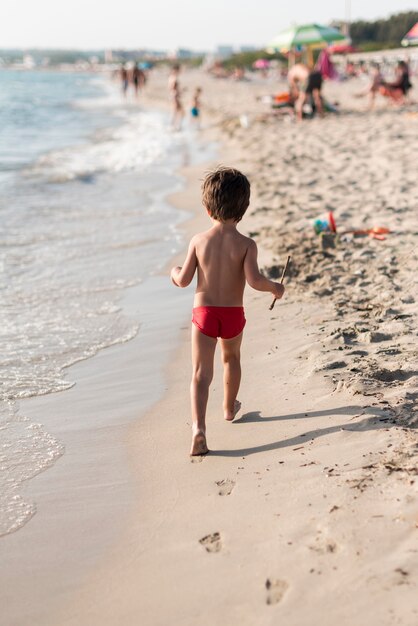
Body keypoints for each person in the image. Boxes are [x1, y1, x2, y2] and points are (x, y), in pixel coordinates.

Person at [170, 167, 285, 456]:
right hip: (233, 316)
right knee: (231, 358)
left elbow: (183, 280)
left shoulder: (198, 241)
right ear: (244, 208)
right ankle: (229, 408)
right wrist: (275, 288)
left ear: (208, 209)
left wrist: (173, 273)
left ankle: (198, 429)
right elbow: (254, 281)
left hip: (204, 315)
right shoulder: (247, 244)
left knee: (200, 373)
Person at [168, 64, 184, 130]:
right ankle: (174, 126)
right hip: (175, 96)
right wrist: (179, 92)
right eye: (179, 70)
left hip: (173, 96)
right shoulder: (174, 78)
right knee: (177, 112)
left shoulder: (171, 77)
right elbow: (172, 88)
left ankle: (175, 126)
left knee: (177, 112)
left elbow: (171, 88)